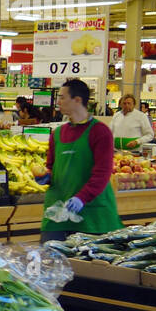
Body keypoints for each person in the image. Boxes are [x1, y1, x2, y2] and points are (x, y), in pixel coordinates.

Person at [39, 78, 120, 243]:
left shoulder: (100, 132)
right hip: (58, 213)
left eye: (62, 97)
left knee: (89, 267)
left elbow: (102, 173)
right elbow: (51, 167)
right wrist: (45, 176)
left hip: (92, 214)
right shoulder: (58, 133)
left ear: (77, 100)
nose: (58, 102)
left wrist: (81, 198)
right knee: (50, 263)